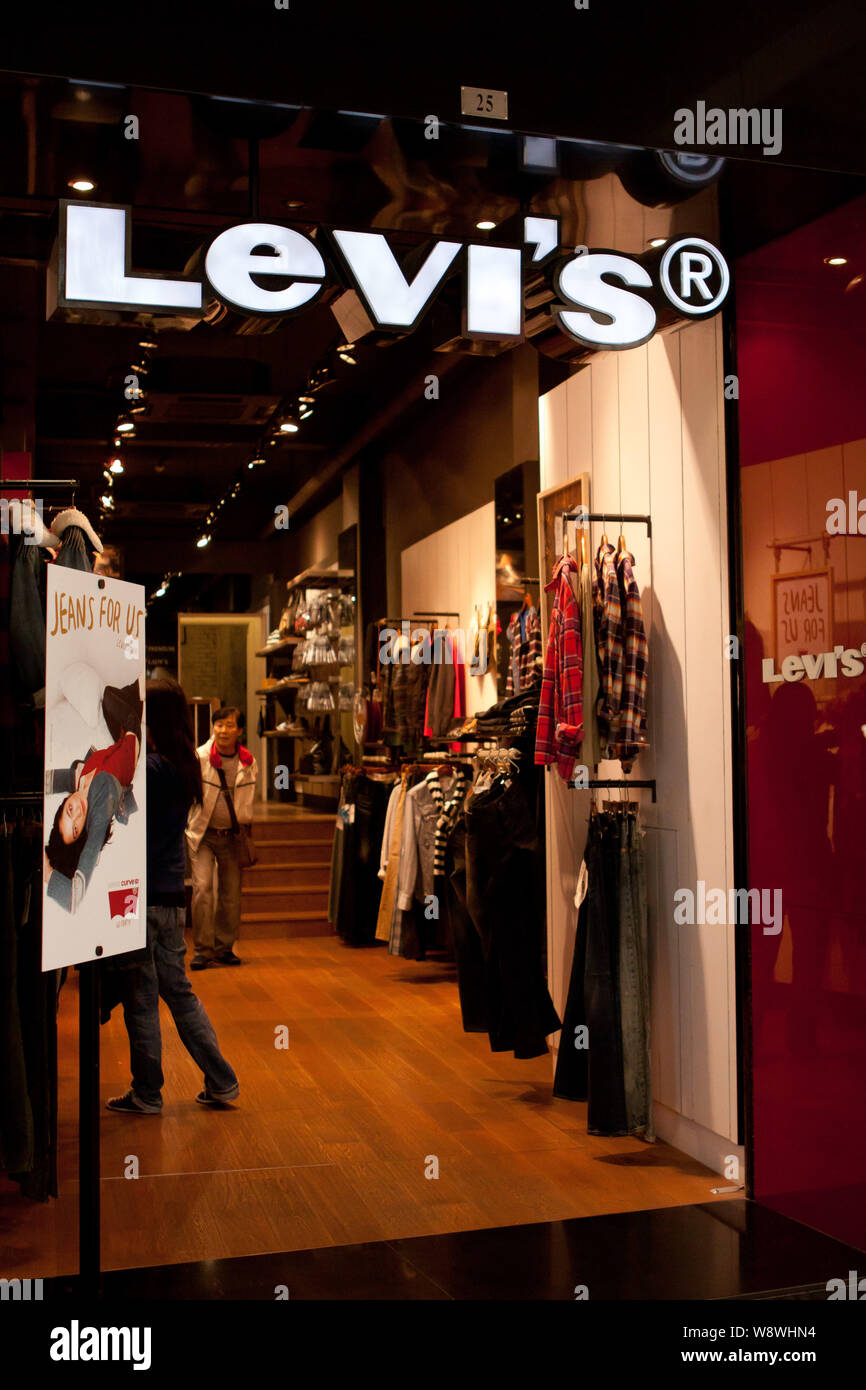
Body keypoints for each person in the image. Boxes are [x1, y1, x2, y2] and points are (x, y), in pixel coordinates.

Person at [106, 678, 239, 1114]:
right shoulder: (182, 765)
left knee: (141, 997)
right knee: (179, 991)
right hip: (170, 895)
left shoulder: (151, 769)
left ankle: (147, 1093)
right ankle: (222, 1081)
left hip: (140, 897)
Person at [45, 678, 143, 912]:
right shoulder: (102, 801)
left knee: (111, 694)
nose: (77, 811)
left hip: (117, 737)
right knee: (116, 698)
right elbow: (74, 898)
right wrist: (48, 874)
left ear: (64, 803)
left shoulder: (78, 780)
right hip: (131, 735)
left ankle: (135, 696)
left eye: (69, 811)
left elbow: (47, 781)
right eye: (77, 828)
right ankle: (137, 701)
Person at [186, 705, 258, 969]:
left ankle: (224, 948)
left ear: (239, 730)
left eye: (229, 725)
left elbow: (247, 801)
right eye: (219, 725)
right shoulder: (201, 757)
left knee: (231, 895)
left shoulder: (249, 762)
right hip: (203, 834)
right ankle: (203, 950)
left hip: (232, 837)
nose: (223, 730)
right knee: (203, 889)